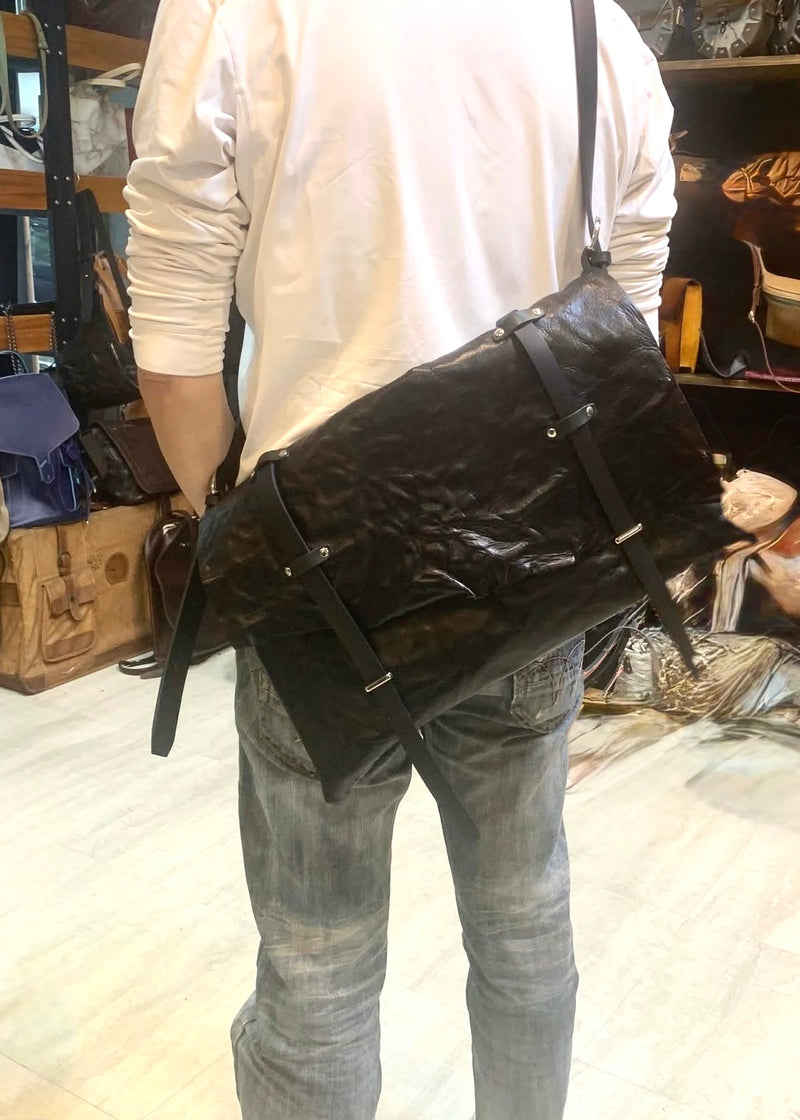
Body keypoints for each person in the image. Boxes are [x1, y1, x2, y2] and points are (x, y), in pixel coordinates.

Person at [125, 1, 675, 1116]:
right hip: (526, 557)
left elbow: (176, 344)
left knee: (317, 959)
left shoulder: (233, 11)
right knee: (522, 919)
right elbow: (628, 337)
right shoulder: (598, 32)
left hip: (316, 568)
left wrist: (226, 522)